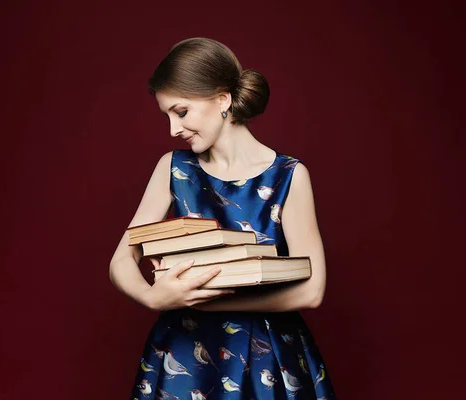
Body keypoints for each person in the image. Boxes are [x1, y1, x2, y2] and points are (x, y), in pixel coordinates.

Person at [109, 37, 336, 400]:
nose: (172, 129)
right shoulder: (173, 167)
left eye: (180, 112)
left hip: (266, 357)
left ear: (223, 99)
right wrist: (153, 298)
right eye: (166, 115)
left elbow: (312, 290)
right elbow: (122, 258)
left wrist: (201, 299)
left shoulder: (289, 175)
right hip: (185, 353)